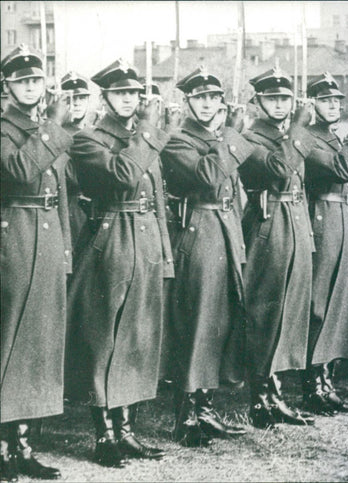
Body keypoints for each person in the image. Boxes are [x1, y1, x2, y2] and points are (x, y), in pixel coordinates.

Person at [66, 58, 173, 467]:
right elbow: (126, 175)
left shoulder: (143, 138)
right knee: (105, 338)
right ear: (105, 97)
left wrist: (165, 254)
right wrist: (148, 129)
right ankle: (104, 435)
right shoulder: (89, 139)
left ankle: (126, 430)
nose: (129, 99)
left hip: (144, 237)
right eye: (120, 93)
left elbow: (157, 200)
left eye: (133, 92)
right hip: (110, 238)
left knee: (137, 337)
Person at [161, 66, 253, 446]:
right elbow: (211, 176)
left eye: (213, 97)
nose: (208, 104)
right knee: (197, 324)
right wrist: (230, 133)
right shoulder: (178, 140)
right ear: (187, 102)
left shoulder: (217, 138)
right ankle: (187, 417)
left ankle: (205, 406)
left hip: (225, 231)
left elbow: (236, 192)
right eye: (200, 98)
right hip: (198, 233)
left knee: (219, 321)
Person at [1, 44, 73, 481]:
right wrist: (54, 129)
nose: (31, 87)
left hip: (45, 236)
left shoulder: (47, 128)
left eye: (36, 80)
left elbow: (58, 193)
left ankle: (23, 444)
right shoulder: (7, 129)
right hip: (14, 235)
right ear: (6, 86)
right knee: (9, 341)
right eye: (22, 80)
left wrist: (64, 249)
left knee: (39, 343)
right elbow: (20, 172)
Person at [291, 72, 348, 412]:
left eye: (337, 101)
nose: (333, 106)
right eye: (325, 100)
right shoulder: (309, 138)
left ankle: (327, 378)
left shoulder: (334, 137)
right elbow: (343, 170)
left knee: (341, 298)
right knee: (319, 304)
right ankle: (312, 384)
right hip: (322, 218)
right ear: (311, 104)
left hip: (344, 217)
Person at [238, 67, 315, 427]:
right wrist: (300, 128)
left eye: (285, 98)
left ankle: (276, 391)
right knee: (265, 312)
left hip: (295, 220)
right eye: (273, 99)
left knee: (291, 310)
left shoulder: (287, 135)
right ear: (258, 102)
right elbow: (281, 169)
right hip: (268, 226)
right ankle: (259, 396)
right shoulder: (252, 136)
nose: (280, 105)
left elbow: (301, 183)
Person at [59, 71, 93, 252]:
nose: (77, 102)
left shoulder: (95, 133)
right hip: (70, 208)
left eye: (82, 97)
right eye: (72, 98)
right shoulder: (57, 134)